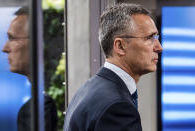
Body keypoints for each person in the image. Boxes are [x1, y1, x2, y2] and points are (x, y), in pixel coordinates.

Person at [64, 3, 163, 131]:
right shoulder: (117, 107)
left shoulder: (89, 89)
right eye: (150, 38)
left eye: (157, 37)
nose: (159, 47)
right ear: (120, 46)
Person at [2, 7, 58, 131]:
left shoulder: (41, 107)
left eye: (12, 38)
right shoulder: (39, 105)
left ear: (38, 42)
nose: (5, 48)